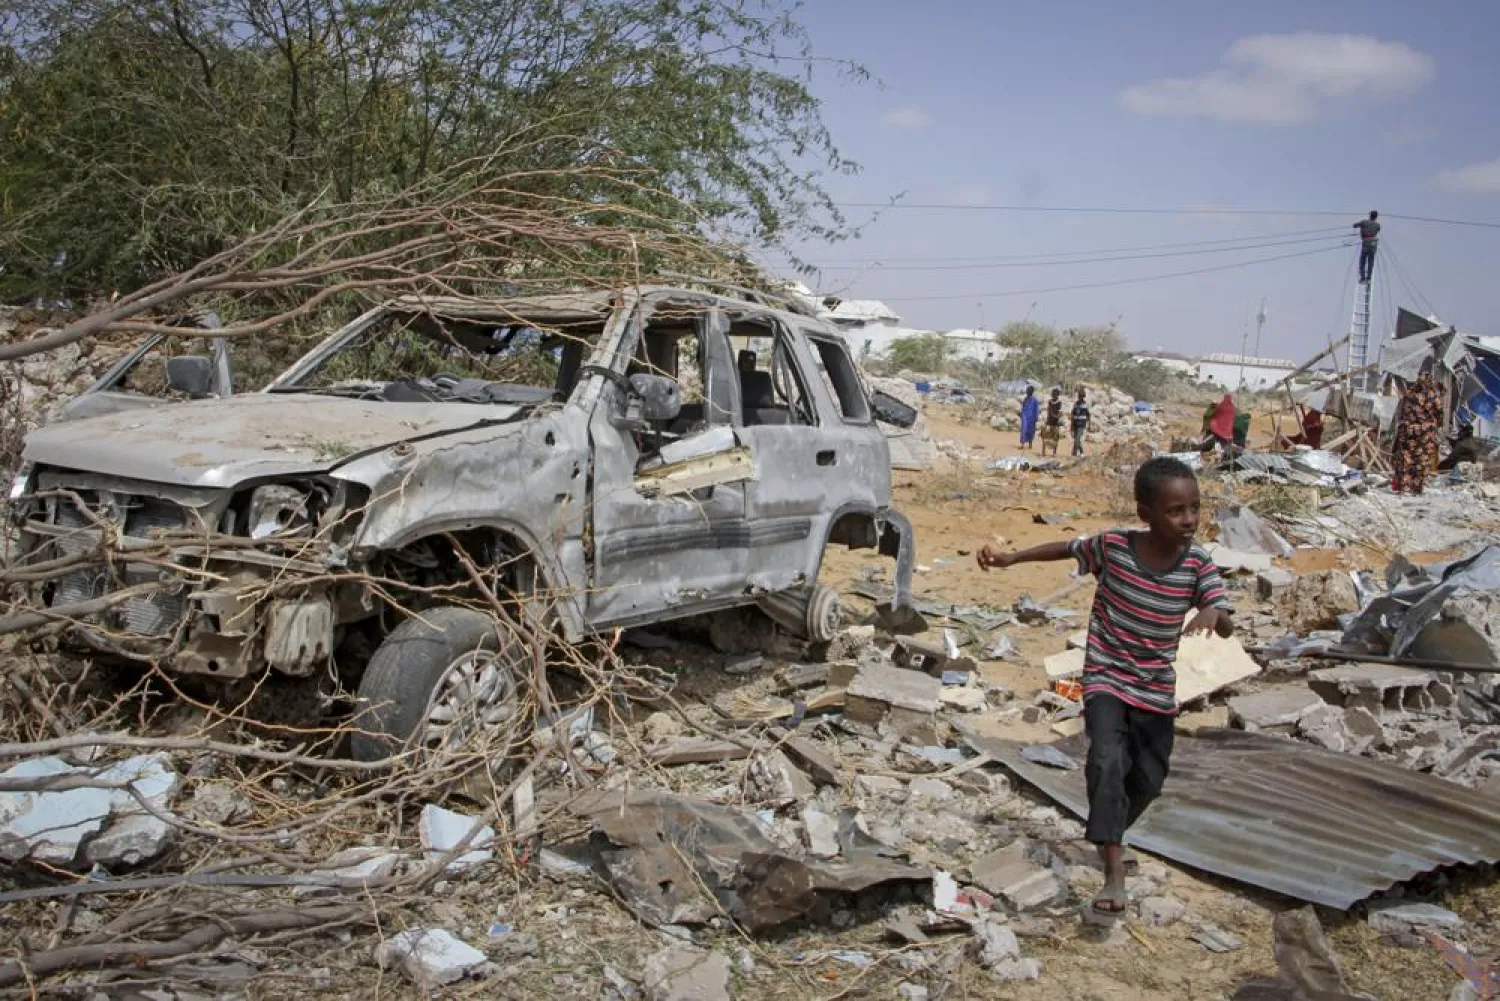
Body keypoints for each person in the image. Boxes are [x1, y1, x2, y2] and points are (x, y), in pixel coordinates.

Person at [976, 457, 1232, 917]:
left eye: (1195, 508)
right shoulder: (1114, 547)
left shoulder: (1197, 563)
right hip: (1107, 677)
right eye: (1176, 510)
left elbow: (1219, 607)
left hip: (1156, 689)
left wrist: (1216, 615)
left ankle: (1107, 830)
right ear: (1145, 513)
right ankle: (1113, 871)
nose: (1190, 519)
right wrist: (1012, 558)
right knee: (1106, 760)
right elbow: (1067, 549)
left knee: (1149, 782)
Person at [1391, 367, 1444, 495]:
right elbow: (1439, 415)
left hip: (1407, 431)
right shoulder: (1433, 397)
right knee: (1421, 461)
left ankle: (1405, 487)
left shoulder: (1409, 394)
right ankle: (1416, 488)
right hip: (1424, 434)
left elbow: (1401, 412)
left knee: (1405, 459)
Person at [1354, 210, 1380, 283]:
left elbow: (1355, 225)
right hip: (1374, 243)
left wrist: (1358, 226)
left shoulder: (1364, 222)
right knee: (1371, 261)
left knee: (1362, 261)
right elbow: (1378, 230)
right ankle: (1369, 278)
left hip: (1366, 242)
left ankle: (1363, 278)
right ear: (1376, 217)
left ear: (1370, 215)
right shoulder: (1378, 225)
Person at [1041, 388, 1064, 456]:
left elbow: (1060, 411)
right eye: (1053, 394)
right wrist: (1055, 416)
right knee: (1045, 436)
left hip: (1056, 422)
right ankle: (1043, 451)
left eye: (1055, 394)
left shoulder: (1059, 403)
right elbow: (1050, 411)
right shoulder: (1050, 402)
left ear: (1057, 395)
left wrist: (1059, 416)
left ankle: (1054, 452)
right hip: (1049, 421)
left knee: (1056, 437)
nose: (1053, 396)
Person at [1070, 388, 1091, 457]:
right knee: (1076, 439)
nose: (1080, 398)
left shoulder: (1085, 405)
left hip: (1082, 424)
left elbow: (1088, 415)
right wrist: (1071, 425)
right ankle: (1081, 452)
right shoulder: (1075, 404)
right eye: (1079, 396)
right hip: (1075, 423)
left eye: (1081, 396)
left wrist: (1089, 425)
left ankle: (1075, 452)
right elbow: (1072, 414)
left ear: (1083, 396)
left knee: (1077, 438)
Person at [1019, 385, 1041, 450]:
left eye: (1028, 390)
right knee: (1024, 430)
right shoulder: (1025, 399)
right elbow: (1023, 406)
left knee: (1031, 431)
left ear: (1031, 391)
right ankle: (1022, 445)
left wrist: (1036, 417)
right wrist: (1022, 414)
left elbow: (1036, 409)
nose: (1027, 392)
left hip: (1032, 417)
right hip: (1025, 416)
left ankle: (1030, 444)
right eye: (1027, 390)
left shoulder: (1035, 400)